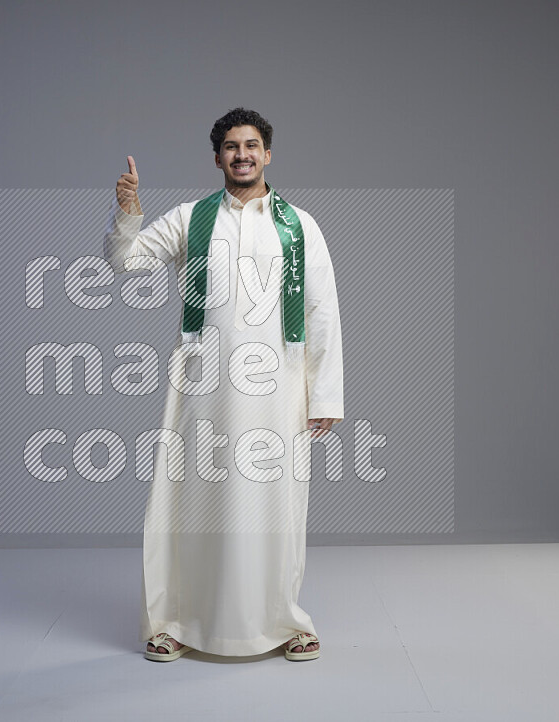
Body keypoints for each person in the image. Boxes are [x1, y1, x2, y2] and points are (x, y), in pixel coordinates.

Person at [103, 108, 343, 662]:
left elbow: (322, 311)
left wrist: (324, 393)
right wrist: (129, 213)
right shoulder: (191, 219)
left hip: (278, 390)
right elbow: (125, 261)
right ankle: (175, 623)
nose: (242, 155)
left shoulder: (300, 226)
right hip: (202, 387)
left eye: (252, 145)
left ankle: (284, 620)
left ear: (267, 154)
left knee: (276, 504)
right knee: (189, 501)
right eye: (231, 147)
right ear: (217, 158)